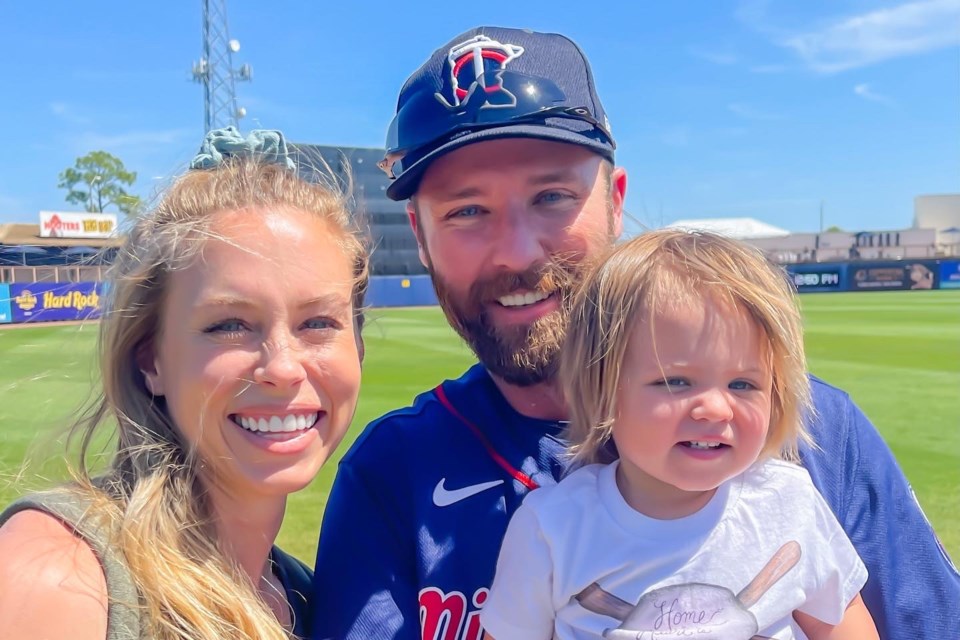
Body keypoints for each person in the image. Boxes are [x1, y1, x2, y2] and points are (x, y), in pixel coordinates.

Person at [311, 26, 960, 640]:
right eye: (467, 211)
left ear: (615, 202)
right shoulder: (391, 475)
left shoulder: (813, 433)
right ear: (421, 239)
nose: (516, 251)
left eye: (552, 196)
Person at [0, 127, 368, 640]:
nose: (283, 368)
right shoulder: (61, 577)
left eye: (319, 323)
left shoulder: (309, 596)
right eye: (229, 325)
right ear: (150, 359)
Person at [480, 230, 878, 639]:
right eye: (675, 382)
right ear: (602, 391)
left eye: (743, 384)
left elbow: (840, 614)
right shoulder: (554, 526)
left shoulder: (788, 501)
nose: (715, 408)